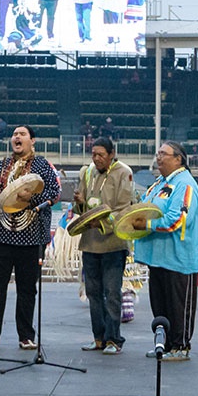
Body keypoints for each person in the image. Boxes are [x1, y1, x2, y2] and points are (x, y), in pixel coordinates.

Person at [0, 125, 61, 349]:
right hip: (0, 237)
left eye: (22, 134)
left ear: (33, 140)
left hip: (31, 239)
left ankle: (26, 336)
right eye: (15, 134)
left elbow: (54, 193)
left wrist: (31, 197)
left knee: (27, 289)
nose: (17, 137)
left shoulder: (43, 165)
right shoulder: (1, 166)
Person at [130, 142, 198, 361]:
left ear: (178, 159)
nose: (159, 158)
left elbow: (178, 220)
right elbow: (143, 209)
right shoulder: (159, 184)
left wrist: (146, 226)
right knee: (160, 305)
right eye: (158, 154)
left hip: (179, 258)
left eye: (164, 154)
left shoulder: (185, 185)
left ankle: (180, 345)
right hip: (157, 257)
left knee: (178, 305)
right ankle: (163, 344)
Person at [72, 138, 135, 354]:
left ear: (111, 154)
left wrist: (101, 222)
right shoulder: (87, 172)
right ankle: (98, 337)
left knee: (112, 292)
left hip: (113, 242)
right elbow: (81, 207)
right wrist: (79, 201)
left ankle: (113, 339)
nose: (96, 158)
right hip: (89, 242)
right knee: (93, 292)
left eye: (101, 154)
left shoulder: (123, 172)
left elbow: (125, 208)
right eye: (93, 154)